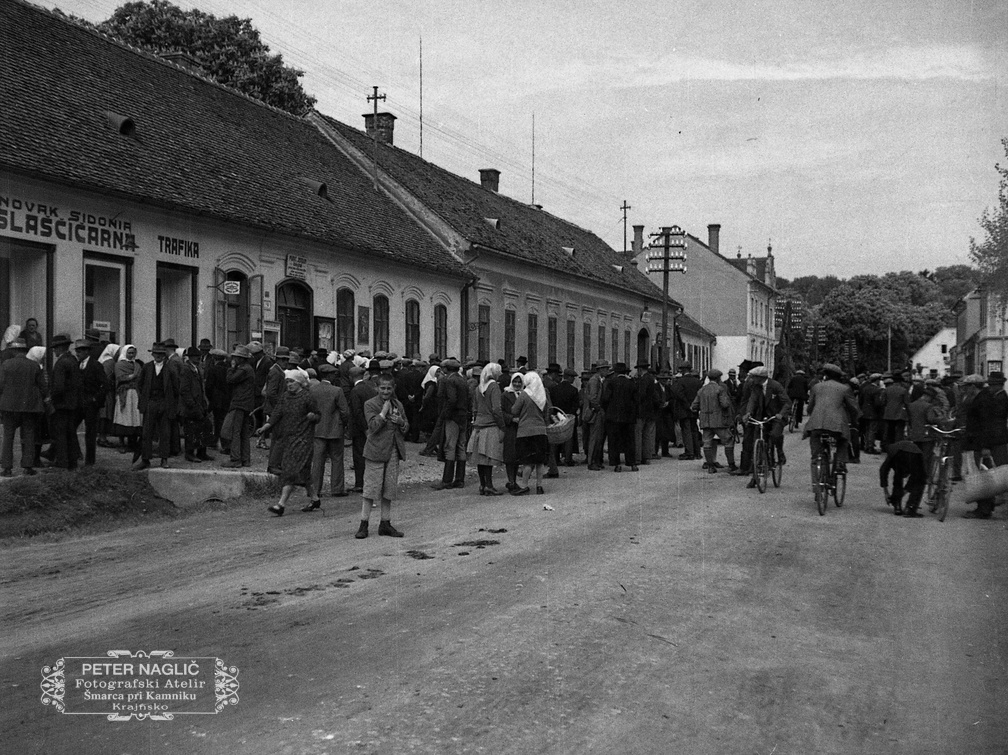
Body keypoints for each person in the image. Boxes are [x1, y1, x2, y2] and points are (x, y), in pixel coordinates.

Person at [256, 369, 319, 516]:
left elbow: (318, 415)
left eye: (291, 382)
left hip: (303, 439)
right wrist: (266, 426)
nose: (289, 384)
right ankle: (315, 499)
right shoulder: (285, 397)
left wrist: (313, 416)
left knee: (290, 471)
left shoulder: (308, 397)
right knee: (302, 471)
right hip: (289, 438)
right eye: (287, 382)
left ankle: (281, 504)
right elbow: (277, 413)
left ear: (300, 383)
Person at [355, 373, 408, 538]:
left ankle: (385, 523)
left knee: (389, 489)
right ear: (376, 388)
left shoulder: (398, 404)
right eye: (382, 388)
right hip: (376, 451)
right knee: (371, 488)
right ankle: (363, 524)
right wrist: (383, 413)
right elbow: (372, 427)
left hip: (393, 450)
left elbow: (406, 427)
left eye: (389, 388)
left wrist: (401, 422)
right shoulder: (370, 404)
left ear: (393, 388)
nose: (385, 391)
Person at [803, 363, 859, 492]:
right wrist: (855, 421)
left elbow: (810, 407)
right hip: (836, 426)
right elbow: (853, 408)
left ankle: (816, 484)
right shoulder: (844, 389)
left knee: (815, 453)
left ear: (825, 375)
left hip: (816, 424)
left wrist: (814, 415)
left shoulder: (816, 387)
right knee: (843, 440)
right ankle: (840, 462)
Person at [963, 372, 1008, 519]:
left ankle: (984, 508)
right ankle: (986, 506)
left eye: (967, 386)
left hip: (983, 441)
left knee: (983, 475)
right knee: (986, 474)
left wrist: (985, 445)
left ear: (972, 386)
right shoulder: (985, 397)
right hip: (986, 440)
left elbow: (985, 424)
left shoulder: (983, 399)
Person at [0, 338, 46, 476]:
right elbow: (42, 387)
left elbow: (0, 385)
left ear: (13, 351)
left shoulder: (6, 364)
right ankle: (27, 466)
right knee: (29, 435)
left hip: (9, 406)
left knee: (8, 436)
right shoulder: (34, 365)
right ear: (24, 351)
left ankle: (7, 468)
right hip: (30, 406)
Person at [740, 365, 792, 488]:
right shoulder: (756, 387)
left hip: (775, 417)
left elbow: (787, 402)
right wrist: (748, 413)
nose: (751, 379)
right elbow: (752, 401)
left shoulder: (775, 386)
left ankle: (779, 452)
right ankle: (755, 477)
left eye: (753, 377)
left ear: (760, 378)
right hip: (762, 417)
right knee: (756, 445)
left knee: (775, 435)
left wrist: (781, 414)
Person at [308, 362, 350, 505]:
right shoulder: (337, 390)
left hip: (317, 429)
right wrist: (343, 425)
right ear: (329, 375)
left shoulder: (313, 389)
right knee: (337, 459)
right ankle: (337, 488)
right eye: (333, 374)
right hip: (335, 430)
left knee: (317, 461)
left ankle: (315, 490)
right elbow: (345, 411)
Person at [133, 342, 179, 470]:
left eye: (161, 354)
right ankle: (145, 459)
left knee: (165, 432)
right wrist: (145, 399)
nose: (158, 356)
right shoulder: (147, 367)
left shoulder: (170, 368)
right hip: (151, 402)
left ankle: (164, 459)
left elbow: (176, 388)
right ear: (152, 354)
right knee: (147, 432)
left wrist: (171, 403)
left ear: (164, 355)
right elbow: (139, 384)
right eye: (156, 353)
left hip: (165, 403)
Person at [511, 370, 553, 495]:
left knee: (527, 461)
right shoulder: (543, 393)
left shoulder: (524, 394)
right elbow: (548, 411)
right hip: (541, 430)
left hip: (525, 431)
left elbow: (514, 410)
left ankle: (524, 485)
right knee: (540, 461)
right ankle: (539, 486)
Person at [431, 357, 469, 490]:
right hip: (463, 415)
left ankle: (447, 480)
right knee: (461, 446)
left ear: (446, 369)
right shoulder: (463, 380)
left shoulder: (449, 380)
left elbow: (451, 399)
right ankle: (460, 479)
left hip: (453, 417)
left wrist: (445, 414)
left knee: (450, 447)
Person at [468, 362, 506, 495]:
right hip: (490, 424)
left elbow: (475, 407)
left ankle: (482, 485)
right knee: (488, 457)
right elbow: (496, 408)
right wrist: (502, 425)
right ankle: (489, 485)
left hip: (478, 424)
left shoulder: (479, 387)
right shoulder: (494, 386)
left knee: (480, 458)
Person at [691, 368, 737, 474]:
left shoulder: (702, 390)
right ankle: (731, 464)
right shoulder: (720, 389)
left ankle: (710, 466)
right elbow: (725, 404)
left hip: (705, 421)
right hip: (719, 421)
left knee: (707, 443)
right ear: (718, 378)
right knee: (728, 441)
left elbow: (694, 406)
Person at [48, 333, 82, 470]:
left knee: (61, 435)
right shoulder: (73, 360)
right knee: (70, 433)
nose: (54, 351)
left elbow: (59, 387)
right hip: (72, 403)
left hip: (62, 404)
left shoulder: (61, 363)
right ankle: (72, 462)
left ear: (61, 348)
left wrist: (52, 399)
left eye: (55, 348)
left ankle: (62, 463)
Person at [219, 345, 255, 468]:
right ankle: (246, 459)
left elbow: (230, 379)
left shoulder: (243, 369)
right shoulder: (248, 368)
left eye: (236, 357)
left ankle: (235, 459)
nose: (233, 359)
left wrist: (231, 368)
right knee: (244, 433)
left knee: (235, 432)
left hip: (239, 403)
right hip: (247, 404)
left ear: (241, 358)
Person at [76, 339, 108, 466]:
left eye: (80, 351)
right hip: (79, 404)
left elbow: (105, 385)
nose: (77, 353)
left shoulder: (96, 365)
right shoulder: (77, 364)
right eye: (77, 351)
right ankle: (77, 453)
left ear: (86, 352)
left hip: (91, 405)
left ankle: (90, 461)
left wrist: (95, 398)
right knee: (71, 428)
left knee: (90, 433)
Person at [601, 361, 638, 472]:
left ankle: (616, 464)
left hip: (614, 417)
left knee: (614, 441)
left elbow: (605, 399)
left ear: (615, 372)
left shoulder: (611, 382)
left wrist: (608, 410)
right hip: (628, 417)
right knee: (629, 440)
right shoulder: (631, 383)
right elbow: (636, 400)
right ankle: (632, 463)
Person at [179, 346, 213, 462]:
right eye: (196, 357)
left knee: (203, 428)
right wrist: (191, 404)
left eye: (199, 357)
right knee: (191, 430)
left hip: (199, 403)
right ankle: (189, 453)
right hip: (191, 405)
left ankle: (201, 452)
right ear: (190, 357)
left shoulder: (197, 368)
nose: (198, 358)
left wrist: (203, 403)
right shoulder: (186, 369)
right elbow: (184, 390)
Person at [348, 364, 378, 492]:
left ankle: (360, 483)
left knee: (359, 456)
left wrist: (364, 428)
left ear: (351, 377)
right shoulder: (370, 388)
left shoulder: (355, 391)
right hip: (371, 425)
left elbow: (357, 412)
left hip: (360, 429)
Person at [880, 440, 927, 517]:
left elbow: (883, 470)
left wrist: (887, 492)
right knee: (920, 480)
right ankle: (910, 508)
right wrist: (902, 493)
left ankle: (897, 506)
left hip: (901, 453)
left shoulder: (893, 454)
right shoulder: (916, 460)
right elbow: (916, 478)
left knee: (898, 476)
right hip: (914, 453)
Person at [112, 344, 143, 459]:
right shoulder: (119, 365)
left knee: (134, 417)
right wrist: (132, 376)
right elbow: (120, 377)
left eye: (133, 353)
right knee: (123, 416)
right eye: (129, 353)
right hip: (124, 393)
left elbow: (140, 377)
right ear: (125, 353)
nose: (131, 355)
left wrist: (135, 377)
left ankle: (132, 442)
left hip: (135, 393)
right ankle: (121, 442)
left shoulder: (137, 365)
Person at [670, 363, 702, 460]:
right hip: (694, 409)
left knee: (686, 430)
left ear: (683, 370)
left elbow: (677, 393)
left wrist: (687, 404)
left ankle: (689, 452)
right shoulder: (697, 382)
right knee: (694, 430)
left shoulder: (680, 381)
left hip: (684, 409)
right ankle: (697, 452)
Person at [550, 368, 581, 467]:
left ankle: (556, 459)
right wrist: (570, 415)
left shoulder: (555, 389)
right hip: (569, 416)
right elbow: (575, 405)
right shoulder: (573, 390)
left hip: (556, 416)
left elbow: (552, 403)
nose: (573, 380)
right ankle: (568, 459)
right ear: (568, 377)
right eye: (573, 377)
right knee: (569, 438)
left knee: (556, 437)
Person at [583, 360, 610, 471]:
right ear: (600, 370)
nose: (607, 371)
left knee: (598, 438)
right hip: (595, 413)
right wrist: (599, 409)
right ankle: (592, 462)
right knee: (594, 438)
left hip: (596, 412)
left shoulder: (597, 380)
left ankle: (596, 461)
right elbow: (593, 398)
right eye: (606, 369)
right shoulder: (595, 381)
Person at [501, 372, 523, 491]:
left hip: (521, 428)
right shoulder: (505, 395)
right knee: (510, 456)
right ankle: (511, 480)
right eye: (515, 381)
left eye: (519, 382)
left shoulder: (524, 394)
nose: (517, 384)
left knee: (518, 456)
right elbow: (501, 411)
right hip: (510, 428)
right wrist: (511, 418)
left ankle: (514, 481)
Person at [204, 348, 230, 450]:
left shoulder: (213, 370)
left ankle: (216, 440)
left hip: (216, 399)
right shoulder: (228, 369)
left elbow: (208, 387)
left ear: (214, 358)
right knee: (224, 420)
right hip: (227, 399)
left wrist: (210, 398)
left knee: (217, 420)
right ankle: (224, 442)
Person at [96, 343, 119, 448]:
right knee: (105, 414)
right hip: (107, 392)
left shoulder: (104, 360)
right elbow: (108, 378)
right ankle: (102, 438)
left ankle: (102, 437)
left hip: (102, 391)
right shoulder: (110, 362)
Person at [882, 372, 912, 450]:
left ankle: (888, 446)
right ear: (901, 381)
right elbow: (907, 403)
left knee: (889, 431)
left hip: (888, 413)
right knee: (899, 431)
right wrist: (909, 415)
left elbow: (883, 401)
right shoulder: (903, 390)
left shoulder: (887, 389)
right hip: (899, 413)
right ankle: (897, 447)